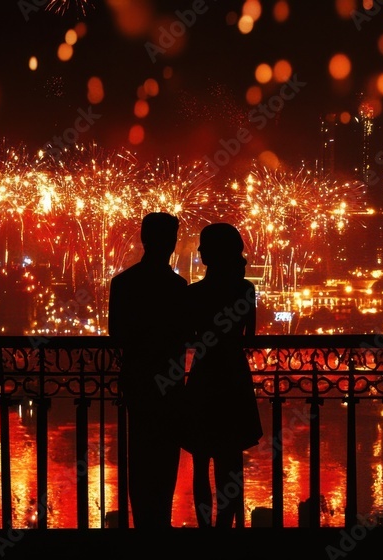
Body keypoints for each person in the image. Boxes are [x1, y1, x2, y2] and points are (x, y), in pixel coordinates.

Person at [179, 223, 263, 528]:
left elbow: (187, 336)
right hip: (234, 377)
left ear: (209, 254)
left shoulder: (193, 294)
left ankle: (205, 532)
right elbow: (250, 338)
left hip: (204, 376)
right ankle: (226, 531)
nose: (198, 252)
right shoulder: (245, 290)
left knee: (201, 461)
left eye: (202, 248)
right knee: (232, 463)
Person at [107, 212, 188, 529]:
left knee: (138, 458)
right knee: (166, 459)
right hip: (169, 383)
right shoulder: (178, 287)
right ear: (171, 242)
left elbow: (117, 334)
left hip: (137, 381)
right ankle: (161, 527)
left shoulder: (123, 284)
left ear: (144, 238)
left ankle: (142, 527)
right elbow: (185, 334)